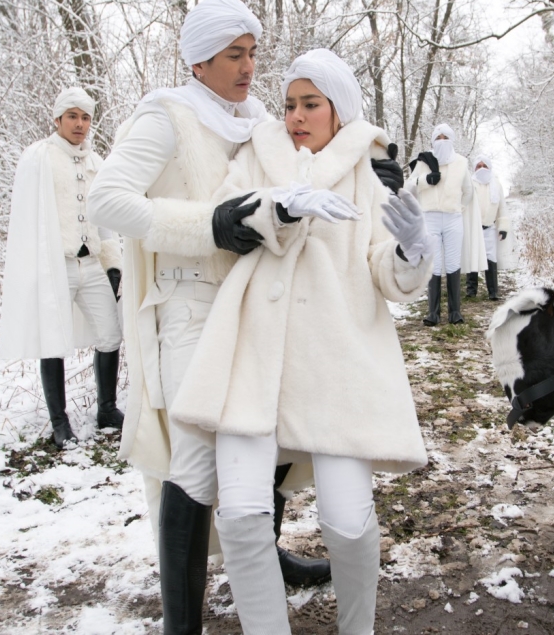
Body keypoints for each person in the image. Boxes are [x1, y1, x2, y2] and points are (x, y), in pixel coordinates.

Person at [87, 0, 329, 635]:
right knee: (194, 462)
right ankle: (181, 624)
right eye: (233, 55)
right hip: (190, 307)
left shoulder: (255, 119)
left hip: (255, 303)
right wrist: (208, 226)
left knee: (266, 442)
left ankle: (266, 560)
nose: (249, 67)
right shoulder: (167, 116)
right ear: (198, 60)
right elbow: (106, 199)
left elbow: (300, 179)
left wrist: (367, 170)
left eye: (252, 53)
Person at [167, 48, 432, 633]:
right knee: (239, 515)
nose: (295, 116)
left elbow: (385, 273)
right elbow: (224, 217)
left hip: (336, 362)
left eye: (311, 104)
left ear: (339, 111)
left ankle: (357, 627)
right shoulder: (257, 155)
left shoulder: (367, 173)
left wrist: (414, 250)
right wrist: (280, 206)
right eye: (289, 103)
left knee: (347, 520)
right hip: (251, 357)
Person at [0, 88, 124, 449]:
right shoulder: (40, 157)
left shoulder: (96, 162)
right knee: (52, 338)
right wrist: (38, 268)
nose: (80, 124)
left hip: (90, 262)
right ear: (57, 120)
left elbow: (104, 219)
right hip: (57, 265)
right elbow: (29, 217)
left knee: (110, 333)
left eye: (85, 117)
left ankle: (107, 409)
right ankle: (60, 422)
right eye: (72, 116)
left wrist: (112, 263)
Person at [404, 124, 482, 325]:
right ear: (432, 140)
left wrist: (458, 208)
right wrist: (425, 179)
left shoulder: (461, 163)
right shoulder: (423, 161)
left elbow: (468, 191)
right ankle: (433, 313)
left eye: (445, 137)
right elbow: (408, 186)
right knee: (435, 263)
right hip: (429, 217)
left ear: (452, 140)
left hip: (452, 218)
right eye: (438, 137)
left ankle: (455, 312)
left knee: (453, 263)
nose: (442, 141)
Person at [466, 154, 511, 301]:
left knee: (491, 258)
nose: (482, 169)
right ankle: (471, 290)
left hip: (490, 227)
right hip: (473, 227)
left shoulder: (496, 185)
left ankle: (493, 291)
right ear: (474, 168)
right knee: (473, 257)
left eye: (484, 166)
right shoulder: (470, 183)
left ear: (489, 167)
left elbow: (502, 208)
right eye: (479, 166)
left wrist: (502, 227)